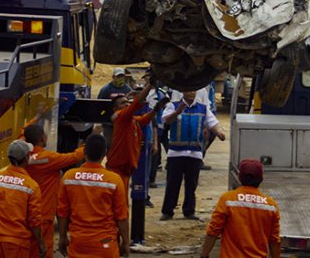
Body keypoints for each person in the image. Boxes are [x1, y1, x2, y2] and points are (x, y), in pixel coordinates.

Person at [57, 134, 130, 257]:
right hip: (105, 245)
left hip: (78, 244)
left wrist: (62, 237)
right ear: (104, 154)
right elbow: (122, 216)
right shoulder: (113, 180)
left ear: (84, 152)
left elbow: (62, 212)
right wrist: (126, 243)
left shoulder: (69, 177)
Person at [160, 90, 226, 220]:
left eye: (193, 91)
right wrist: (177, 112)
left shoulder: (203, 108)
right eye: (189, 91)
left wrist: (219, 133)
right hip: (176, 153)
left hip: (194, 153)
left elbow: (212, 123)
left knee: (191, 184)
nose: (191, 94)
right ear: (183, 93)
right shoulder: (173, 105)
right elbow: (166, 120)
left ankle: (189, 211)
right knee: (173, 183)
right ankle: (167, 211)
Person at [23, 123, 86, 257]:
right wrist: (88, 145)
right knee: (44, 250)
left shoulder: (22, 157)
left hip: (24, 214)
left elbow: (22, 132)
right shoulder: (49, 158)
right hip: (43, 215)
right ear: (41, 138)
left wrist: (34, 118)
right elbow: (73, 157)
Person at [200, 159, 281, 258]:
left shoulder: (227, 199)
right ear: (261, 179)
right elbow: (274, 241)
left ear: (240, 177)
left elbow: (213, 231)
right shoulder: (271, 206)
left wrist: (204, 255)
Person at [0, 139, 44, 258]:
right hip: (17, 244)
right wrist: (41, 243)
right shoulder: (31, 186)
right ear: (26, 158)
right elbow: (34, 221)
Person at [105, 81, 166, 195]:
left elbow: (145, 119)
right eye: (123, 103)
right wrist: (149, 86)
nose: (127, 104)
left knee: (122, 195)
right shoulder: (120, 116)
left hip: (126, 164)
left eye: (127, 102)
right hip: (118, 164)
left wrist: (156, 109)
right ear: (115, 107)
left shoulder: (131, 120)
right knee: (118, 195)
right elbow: (136, 103)